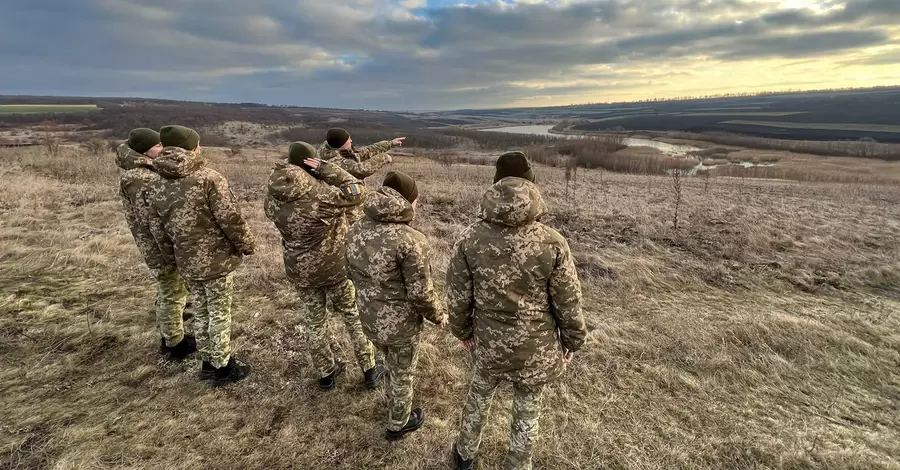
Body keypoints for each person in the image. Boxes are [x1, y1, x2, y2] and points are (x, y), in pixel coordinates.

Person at [445, 152, 587, 470]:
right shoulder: (552, 242)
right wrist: (573, 340)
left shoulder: (469, 239)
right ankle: (518, 463)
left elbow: (456, 297)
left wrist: (462, 331)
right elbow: (568, 301)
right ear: (532, 185)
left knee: (479, 393)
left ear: (494, 186)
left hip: (488, 343)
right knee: (528, 404)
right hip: (535, 347)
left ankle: (465, 455)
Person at [264, 141, 383, 391]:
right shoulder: (322, 197)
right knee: (352, 315)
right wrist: (329, 170)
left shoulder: (273, 196)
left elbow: (270, 213)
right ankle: (370, 368)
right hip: (335, 267)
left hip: (300, 269)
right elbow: (358, 190)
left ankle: (326, 373)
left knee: (314, 321)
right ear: (312, 165)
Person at [148, 125, 256, 386]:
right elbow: (231, 219)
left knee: (201, 310)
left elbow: (156, 228)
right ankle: (222, 368)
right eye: (197, 144)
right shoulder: (209, 179)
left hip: (185, 260)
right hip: (216, 260)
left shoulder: (157, 182)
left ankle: (207, 361)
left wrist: (170, 255)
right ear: (191, 148)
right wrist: (247, 244)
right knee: (218, 312)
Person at [346, 171, 447, 440]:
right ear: (407, 201)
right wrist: (439, 316)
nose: (418, 205)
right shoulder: (411, 240)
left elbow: (349, 271)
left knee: (389, 361)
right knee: (402, 373)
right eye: (416, 200)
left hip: (368, 316)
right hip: (400, 325)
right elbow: (420, 293)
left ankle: (393, 401)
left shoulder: (356, 227)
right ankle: (398, 423)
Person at [115, 128, 195, 360]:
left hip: (157, 244)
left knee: (170, 287)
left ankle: (170, 324)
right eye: (158, 145)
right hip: (158, 246)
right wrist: (170, 247)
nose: (162, 148)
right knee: (173, 289)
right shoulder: (141, 178)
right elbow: (152, 218)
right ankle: (173, 342)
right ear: (144, 150)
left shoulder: (144, 172)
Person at [318, 127, 404, 224]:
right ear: (341, 143)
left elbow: (364, 152)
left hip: (349, 201)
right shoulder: (335, 162)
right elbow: (361, 170)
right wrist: (384, 158)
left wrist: (390, 143)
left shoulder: (338, 151)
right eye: (348, 139)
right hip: (345, 207)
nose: (351, 140)